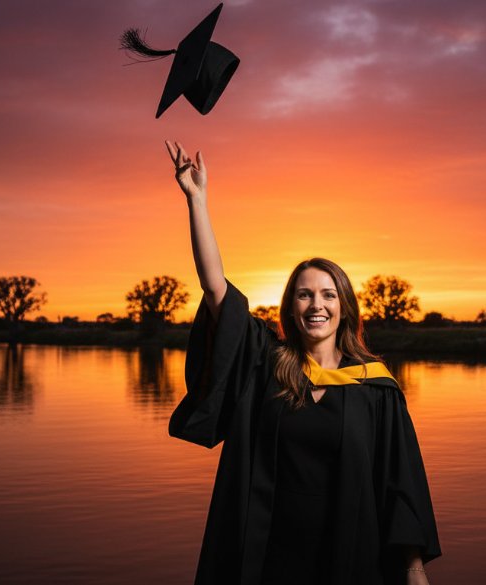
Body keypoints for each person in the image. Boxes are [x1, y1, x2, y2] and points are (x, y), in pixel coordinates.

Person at [164, 140, 441, 585]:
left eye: (329, 295)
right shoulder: (266, 362)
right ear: (291, 305)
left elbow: (400, 484)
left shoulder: (376, 390)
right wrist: (198, 202)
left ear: (345, 307)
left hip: (349, 555)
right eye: (305, 293)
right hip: (266, 554)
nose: (317, 304)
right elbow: (218, 291)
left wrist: (414, 570)